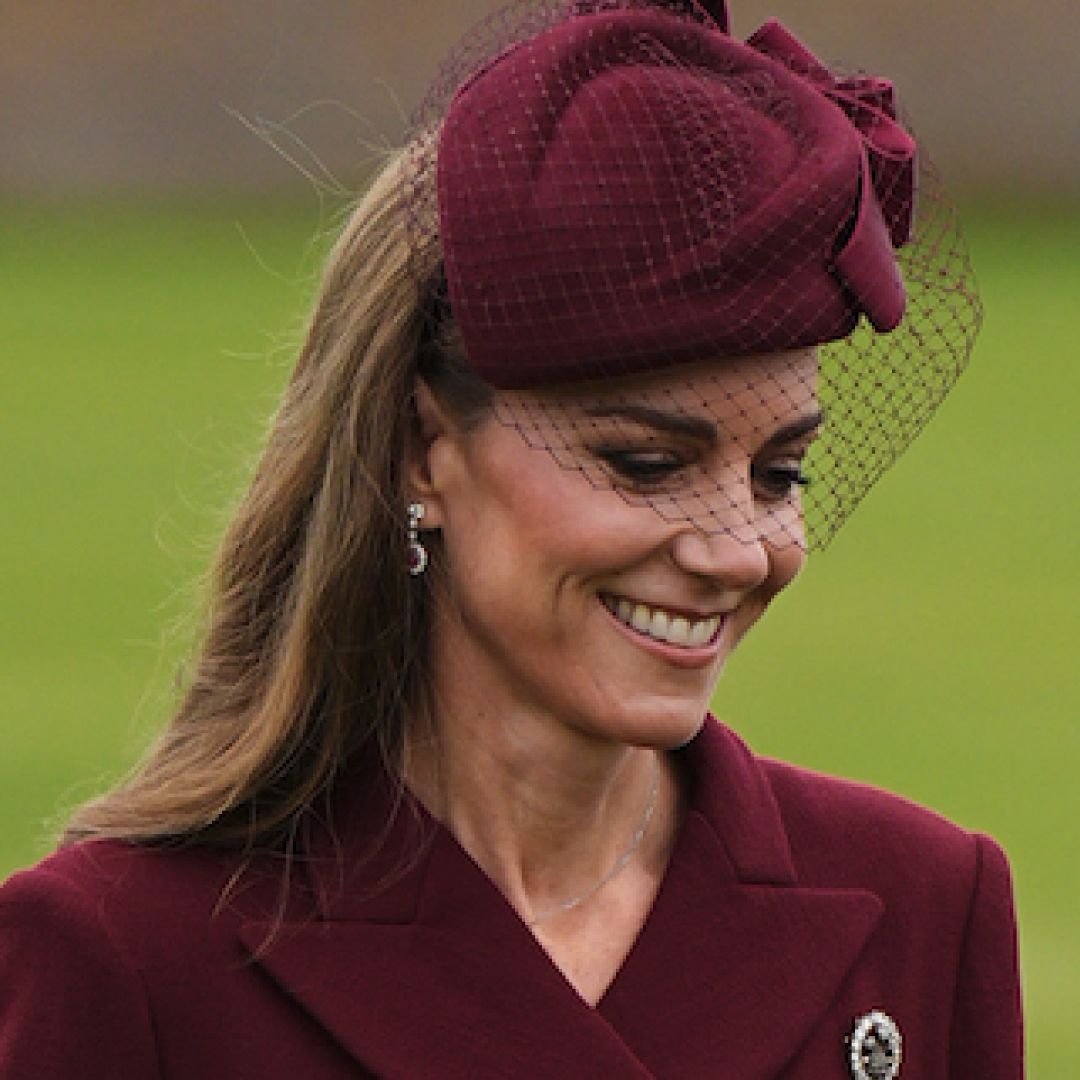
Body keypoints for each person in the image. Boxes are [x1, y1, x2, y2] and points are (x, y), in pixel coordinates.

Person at [0, 1, 1022, 1077]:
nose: (737, 549)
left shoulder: (927, 905)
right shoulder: (124, 958)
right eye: (646, 463)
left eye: (779, 473)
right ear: (419, 449)